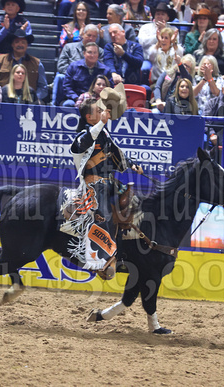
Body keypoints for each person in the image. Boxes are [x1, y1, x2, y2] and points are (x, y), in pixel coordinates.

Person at [70, 89, 143, 276]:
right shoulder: (84, 134)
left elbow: (119, 154)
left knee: (131, 209)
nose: (103, 112)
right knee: (104, 216)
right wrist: (102, 122)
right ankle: (99, 261)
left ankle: (123, 254)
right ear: (89, 117)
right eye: (98, 111)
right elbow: (82, 144)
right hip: (93, 185)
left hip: (109, 182)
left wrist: (133, 164)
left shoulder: (105, 134)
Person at [53, 24, 102, 105]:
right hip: (72, 80)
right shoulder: (69, 47)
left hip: (91, 82)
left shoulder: (100, 51)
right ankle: (54, 106)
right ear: (83, 34)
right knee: (60, 77)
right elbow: (61, 66)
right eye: (89, 35)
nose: (91, 38)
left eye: (94, 36)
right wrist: (74, 75)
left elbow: (101, 69)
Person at [0, 30, 48, 102]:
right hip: (4, 101)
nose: (20, 45)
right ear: (12, 44)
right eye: (17, 42)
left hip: (28, 103)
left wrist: (33, 98)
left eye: (23, 42)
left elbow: (43, 87)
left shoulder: (37, 63)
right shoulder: (0, 60)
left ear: (27, 45)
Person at [62, 41, 113, 107]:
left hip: (99, 100)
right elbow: (67, 86)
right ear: (84, 53)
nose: (92, 55)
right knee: (68, 104)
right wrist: (77, 98)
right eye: (90, 52)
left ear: (98, 54)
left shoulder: (106, 70)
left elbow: (110, 89)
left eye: (95, 53)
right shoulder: (73, 67)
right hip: (76, 99)